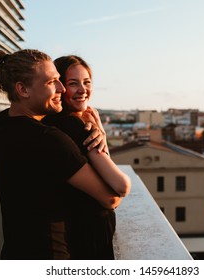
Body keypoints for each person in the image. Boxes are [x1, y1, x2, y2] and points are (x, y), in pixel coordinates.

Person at [0, 49, 126, 260]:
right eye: (52, 82)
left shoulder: (1, 124)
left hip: (14, 251)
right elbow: (112, 198)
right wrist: (100, 135)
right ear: (23, 89)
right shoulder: (49, 140)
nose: (61, 88)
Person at [42, 55, 131, 259]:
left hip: (73, 230)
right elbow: (119, 186)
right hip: (89, 234)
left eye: (87, 82)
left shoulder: (53, 123)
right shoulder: (74, 126)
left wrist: (101, 130)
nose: (83, 90)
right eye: (73, 84)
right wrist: (99, 129)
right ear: (60, 87)